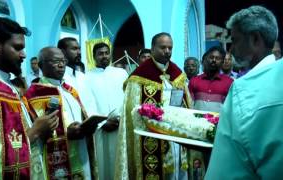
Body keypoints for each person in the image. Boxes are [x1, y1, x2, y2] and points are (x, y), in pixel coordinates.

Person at [0, 17, 58, 179]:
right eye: (17, 48)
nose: (24, 55)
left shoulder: (5, 87)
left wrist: (43, 128)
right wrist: (35, 132)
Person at [206, 6, 282, 179]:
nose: (231, 50)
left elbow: (223, 174)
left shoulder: (242, 89)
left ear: (255, 39)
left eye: (236, 40)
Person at [115, 32, 192, 179]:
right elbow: (131, 111)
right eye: (163, 47)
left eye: (170, 48)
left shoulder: (177, 74)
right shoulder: (139, 77)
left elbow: (186, 103)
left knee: (177, 171)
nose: (167, 51)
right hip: (150, 135)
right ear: (152, 49)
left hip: (175, 133)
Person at [25, 47, 103, 179]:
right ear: (41, 65)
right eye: (55, 61)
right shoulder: (33, 95)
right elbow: (34, 134)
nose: (61, 65)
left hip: (81, 149)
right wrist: (67, 134)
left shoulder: (70, 90)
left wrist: (88, 127)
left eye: (63, 60)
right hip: (57, 158)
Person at [85, 42, 128, 180]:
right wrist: (102, 123)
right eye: (100, 53)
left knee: (120, 161)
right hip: (100, 128)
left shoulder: (121, 73)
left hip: (120, 125)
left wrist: (121, 118)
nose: (104, 56)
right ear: (94, 56)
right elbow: (87, 103)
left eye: (106, 53)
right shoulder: (86, 77)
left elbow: (127, 98)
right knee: (102, 165)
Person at [57, 37, 97, 115]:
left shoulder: (83, 77)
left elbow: (91, 103)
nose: (79, 52)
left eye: (79, 49)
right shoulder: (58, 78)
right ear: (62, 52)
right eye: (74, 49)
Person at [189, 46, 233, 113]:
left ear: (222, 62)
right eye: (211, 57)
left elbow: (231, 108)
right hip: (197, 122)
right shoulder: (194, 81)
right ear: (206, 59)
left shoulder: (229, 83)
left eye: (217, 58)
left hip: (219, 123)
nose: (214, 60)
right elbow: (188, 105)